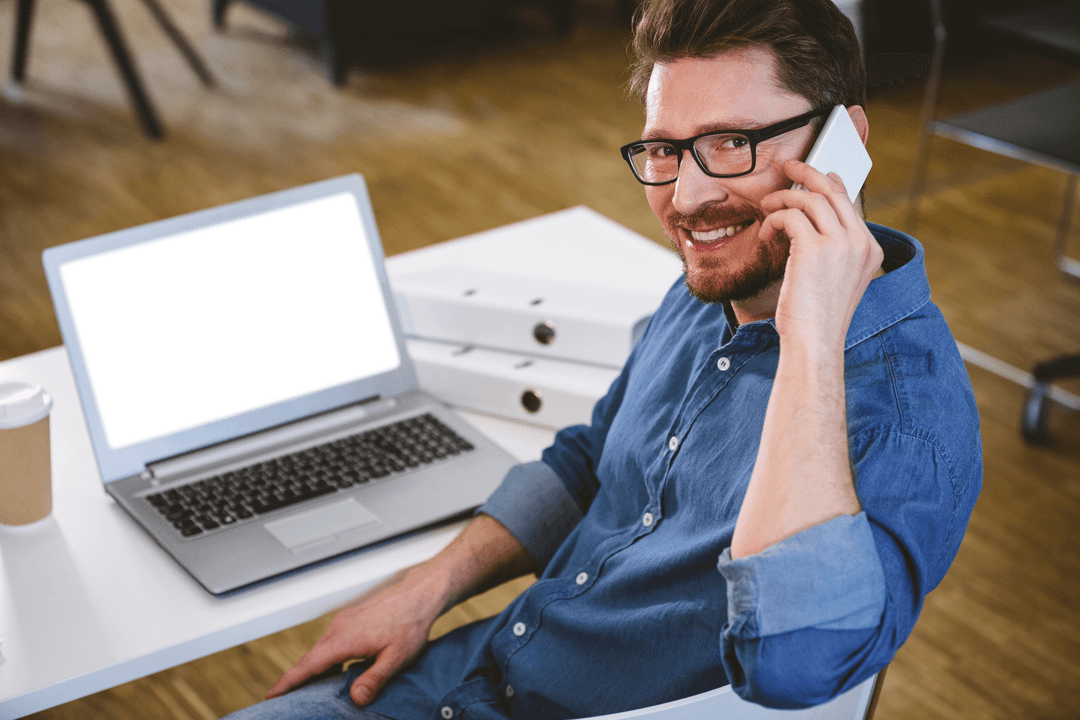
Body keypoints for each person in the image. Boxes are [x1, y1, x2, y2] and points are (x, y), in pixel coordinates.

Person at [224, 0, 982, 718]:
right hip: (473, 674)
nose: (685, 198)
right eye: (664, 149)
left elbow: (794, 664)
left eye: (730, 144)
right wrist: (429, 587)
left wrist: (809, 338)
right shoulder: (713, 282)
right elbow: (594, 461)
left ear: (843, 144)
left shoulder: (909, 419)